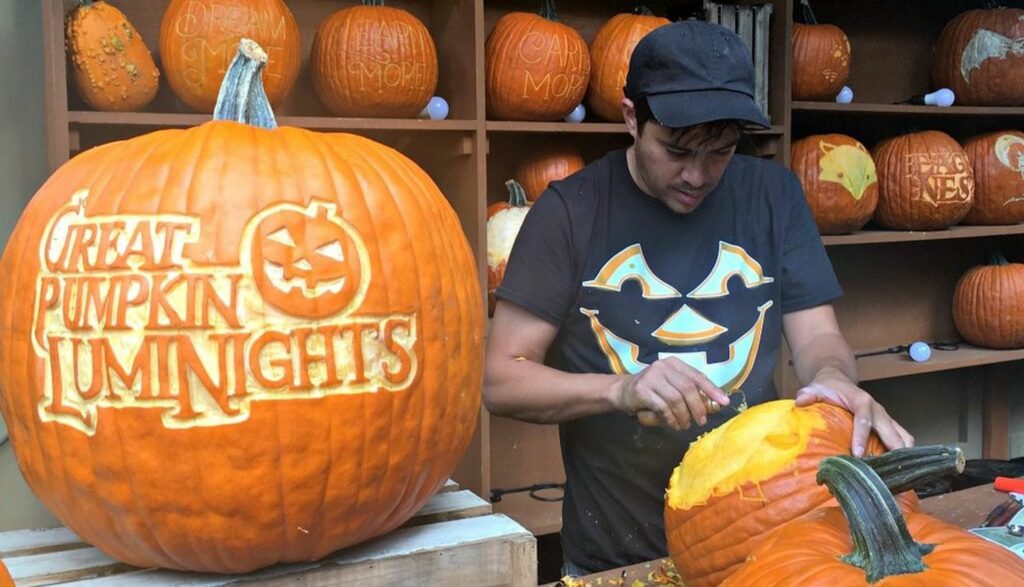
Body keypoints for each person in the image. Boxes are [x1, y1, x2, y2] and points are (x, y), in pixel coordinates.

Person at [483, 19, 916, 576]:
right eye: (677, 150)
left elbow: (820, 338)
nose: (697, 175)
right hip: (619, 551)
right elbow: (501, 378)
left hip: (762, 533)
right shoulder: (570, 211)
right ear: (632, 119)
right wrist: (622, 389)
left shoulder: (774, 195)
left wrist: (833, 379)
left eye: (720, 152)